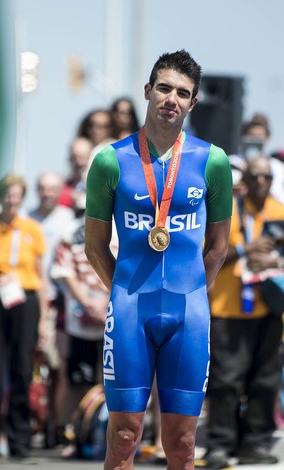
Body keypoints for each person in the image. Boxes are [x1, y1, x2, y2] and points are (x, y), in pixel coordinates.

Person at [84, 50, 233, 469]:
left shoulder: (213, 161)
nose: (171, 98)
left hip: (190, 310)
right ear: (148, 91)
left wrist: (196, 293)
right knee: (125, 437)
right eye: (164, 88)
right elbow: (95, 246)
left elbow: (218, 246)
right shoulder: (110, 160)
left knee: (183, 443)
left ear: (192, 103)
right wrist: (122, 291)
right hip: (130, 308)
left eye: (182, 93)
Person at [203, 155, 284, 468]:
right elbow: (208, 251)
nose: (260, 182)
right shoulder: (228, 209)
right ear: (244, 178)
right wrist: (244, 251)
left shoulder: (279, 210)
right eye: (254, 176)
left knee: (265, 380)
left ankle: (255, 442)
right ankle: (220, 445)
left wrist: (274, 262)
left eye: (266, 177)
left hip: (269, 307)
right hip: (228, 309)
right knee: (226, 381)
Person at [0, 174, 50, 464]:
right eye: (7, 194)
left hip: (25, 300)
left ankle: (20, 441)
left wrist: (43, 320)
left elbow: (40, 278)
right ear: (0, 197)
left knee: (22, 367)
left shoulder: (32, 229)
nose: (11, 200)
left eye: (16, 195)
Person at [50, 191, 117, 457]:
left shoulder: (122, 228)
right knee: (77, 381)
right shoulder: (70, 232)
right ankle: (71, 436)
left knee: (115, 381)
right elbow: (63, 271)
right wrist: (89, 304)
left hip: (116, 316)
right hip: (81, 322)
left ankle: (109, 437)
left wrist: (109, 303)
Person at [27, 171, 74, 448]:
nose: (47, 194)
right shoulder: (26, 217)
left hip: (59, 301)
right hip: (32, 298)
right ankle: (35, 422)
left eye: (53, 189)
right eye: (42, 188)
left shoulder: (67, 220)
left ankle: (55, 427)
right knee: (34, 365)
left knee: (58, 367)